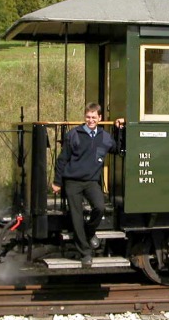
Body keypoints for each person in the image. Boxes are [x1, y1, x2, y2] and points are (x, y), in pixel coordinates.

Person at [53, 103, 125, 268]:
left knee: (99, 207)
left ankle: (89, 231)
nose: (90, 120)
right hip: (72, 181)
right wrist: (57, 182)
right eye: (88, 117)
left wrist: (120, 128)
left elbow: (118, 149)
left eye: (94, 117)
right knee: (76, 217)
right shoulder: (74, 135)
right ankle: (85, 253)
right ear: (84, 117)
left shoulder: (105, 137)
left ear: (100, 118)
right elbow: (62, 159)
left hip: (91, 182)